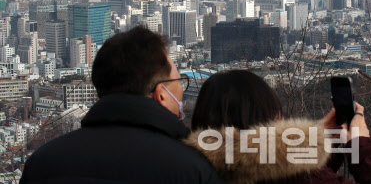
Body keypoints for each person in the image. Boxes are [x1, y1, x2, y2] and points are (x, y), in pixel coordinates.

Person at [21, 26, 222, 184]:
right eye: (179, 82)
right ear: (161, 94)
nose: (181, 89)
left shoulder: (41, 165)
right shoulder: (192, 170)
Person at [185, 70, 371, 184]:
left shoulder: (190, 170)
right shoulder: (294, 179)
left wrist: (313, 139)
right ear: (267, 119)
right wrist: (361, 145)